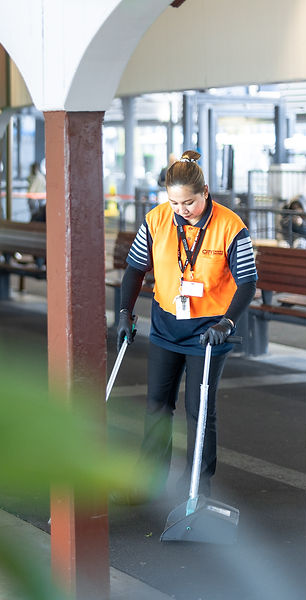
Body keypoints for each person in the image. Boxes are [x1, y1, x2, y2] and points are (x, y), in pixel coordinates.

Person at [113, 150, 258, 504]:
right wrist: (123, 313)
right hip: (166, 325)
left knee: (200, 409)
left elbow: (248, 282)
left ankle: (198, 487)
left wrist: (227, 322)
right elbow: (135, 270)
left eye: (189, 202)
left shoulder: (230, 226)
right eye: (174, 202)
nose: (182, 210)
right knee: (157, 405)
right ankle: (149, 479)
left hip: (209, 332)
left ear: (205, 192)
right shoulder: (156, 219)